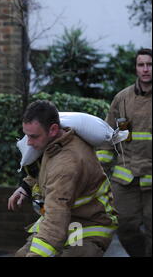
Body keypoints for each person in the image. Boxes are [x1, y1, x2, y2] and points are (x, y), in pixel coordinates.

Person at [8, 100, 118, 257]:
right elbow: (43, 170)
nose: (29, 143)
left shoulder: (67, 164)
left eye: (33, 136)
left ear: (53, 129)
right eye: (27, 136)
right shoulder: (55, 142)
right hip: (67, 219)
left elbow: (56, 217)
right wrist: (26, 187)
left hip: (87, 226)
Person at [96, 48, 152, 257]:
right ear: (136, 68)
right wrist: (98, 171)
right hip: (126, 178)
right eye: (141, 65)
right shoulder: (122, 99)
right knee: (124, 227)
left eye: (149, 64)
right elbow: (108, 137)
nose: (146, 69)